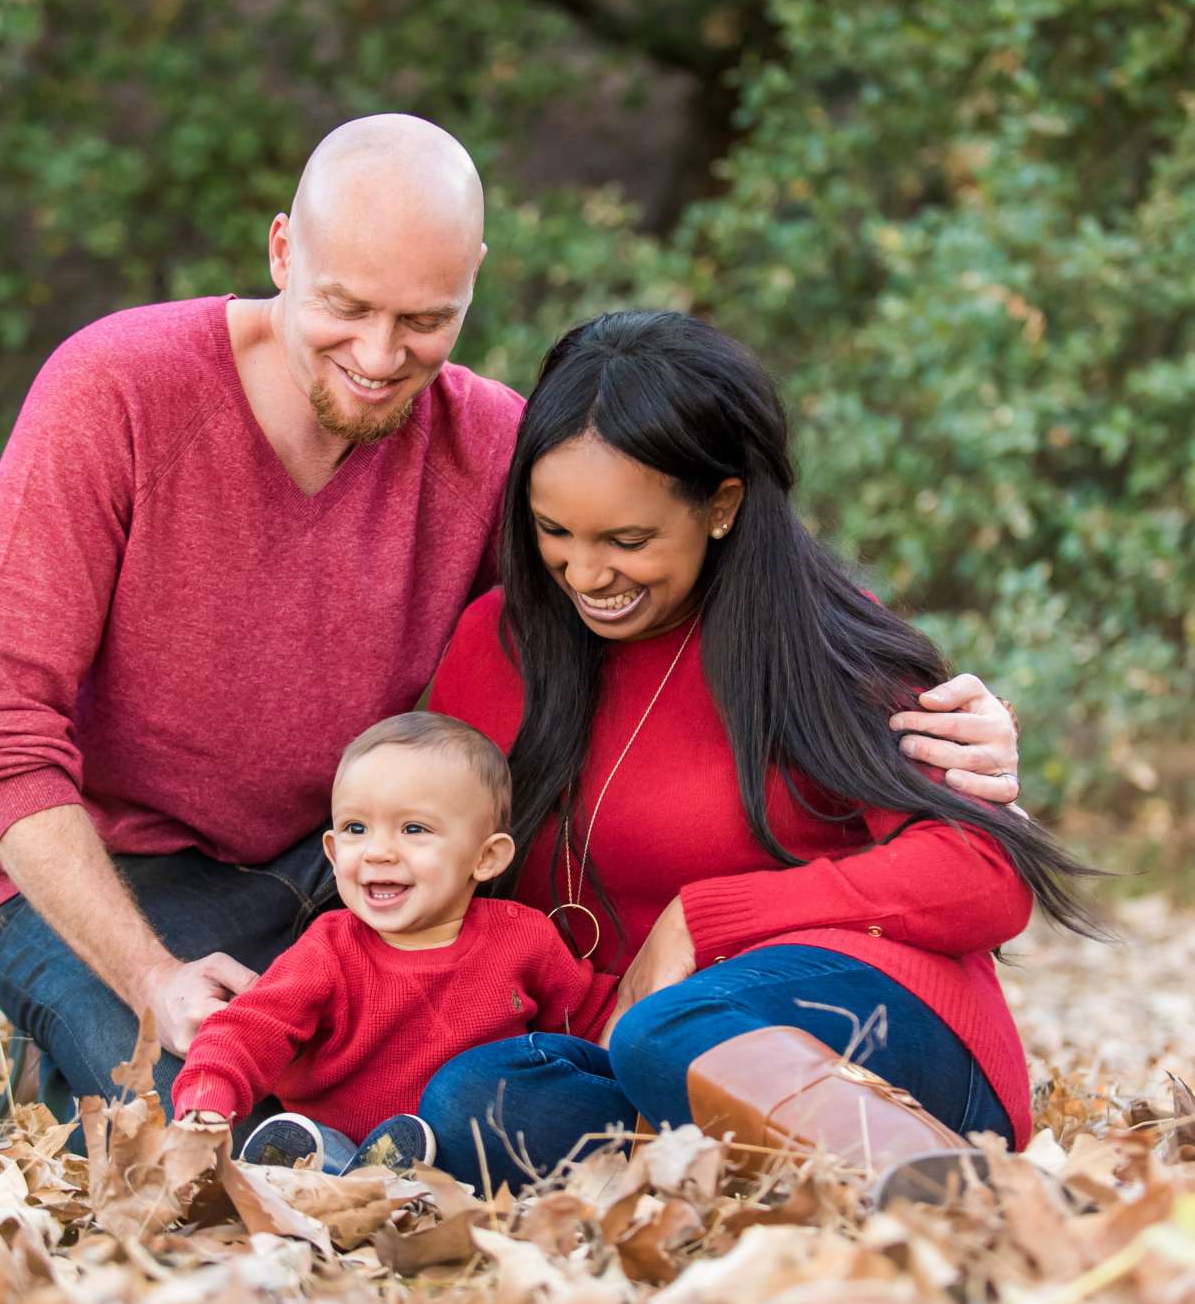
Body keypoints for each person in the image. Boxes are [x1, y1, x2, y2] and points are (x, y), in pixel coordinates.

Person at [0, 114, 1026, 1140]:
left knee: (379, 1089)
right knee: (225, 1105)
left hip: (340, 870)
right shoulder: (116, 391)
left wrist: (958, 728)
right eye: (346, 307)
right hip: (121, 872)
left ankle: (891, 1178)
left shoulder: (499, 448)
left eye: (424, 320)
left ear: (471, 290)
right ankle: (85, 1037)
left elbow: (688, 551)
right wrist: (147, 974)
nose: (378, 352)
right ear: (279, 253)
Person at [419, 310, 1100, 1189]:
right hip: (641, 1055)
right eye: (556, 533)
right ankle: (788, 1179)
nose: (587, 574)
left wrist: (710, 919)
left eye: (627, 541)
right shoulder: (495, 645)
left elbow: (985, 873)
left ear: (723, 507)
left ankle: (957, 1202)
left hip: (881, 1024)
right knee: (476, 1101)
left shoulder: (822, 642)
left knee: (674, 1032)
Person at [170, 713, 615, 1173]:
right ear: (332, 850)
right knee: (318, 1146)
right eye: (356, 829)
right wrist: (206, 1100)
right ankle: (320, 1171)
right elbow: (252, 1027)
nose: (378, 851)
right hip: (338, 1140)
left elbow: (588, 1021)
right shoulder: (329, 949)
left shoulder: (524, 938)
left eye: (413, 829)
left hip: (465, 1157)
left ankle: (381, 1176)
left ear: (485, 857)